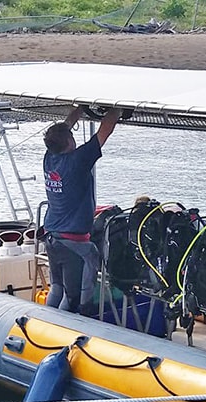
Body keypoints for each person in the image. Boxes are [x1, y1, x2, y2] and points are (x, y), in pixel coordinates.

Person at [42, 104, 124, 315]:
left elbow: (64, 128)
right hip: (73, 242)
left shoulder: (49, 157)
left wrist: (81, 109)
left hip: (52, 236)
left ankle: (43, 321)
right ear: (70, 141)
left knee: (57, 287)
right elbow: (104, 132)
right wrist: (116, 110)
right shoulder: (77, 161)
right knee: (73, 294)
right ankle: (83, 314)